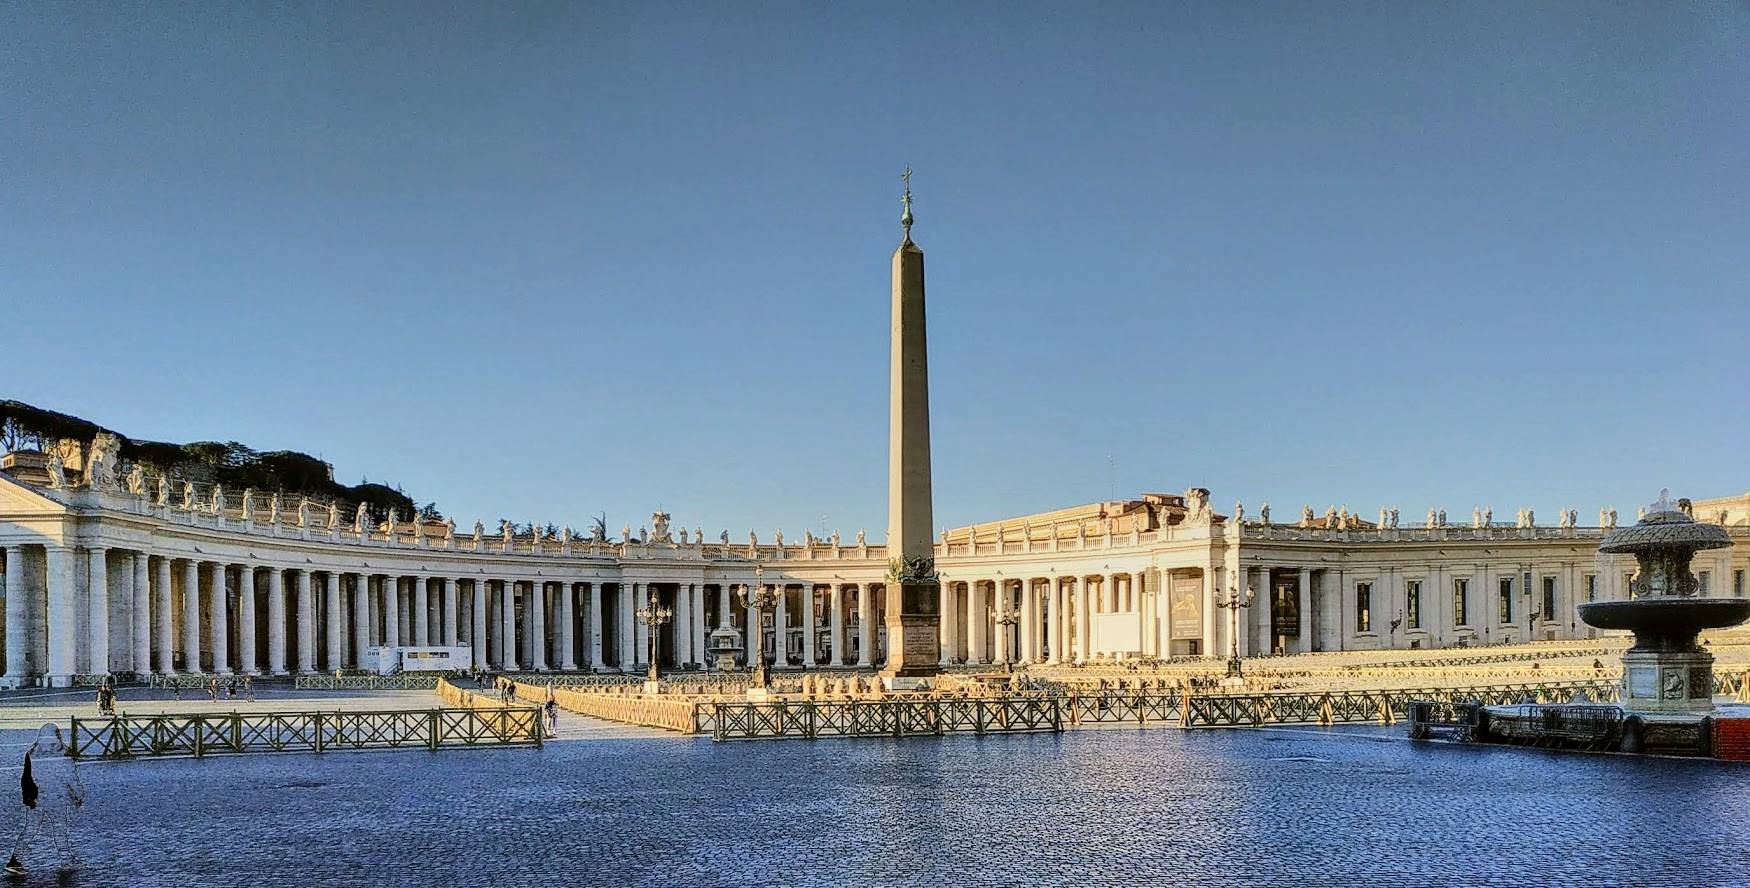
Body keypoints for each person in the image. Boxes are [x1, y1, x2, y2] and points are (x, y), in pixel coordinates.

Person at [6, 724, 84, 875]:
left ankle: (15, 860)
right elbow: (72, 779)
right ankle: (66, 861)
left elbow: (26, 778)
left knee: (30, 829)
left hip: (36, 799)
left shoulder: (31, 753)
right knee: (60, 830)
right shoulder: (64, 753)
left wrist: (28, 797)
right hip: (57, 799)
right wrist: (79, 796)